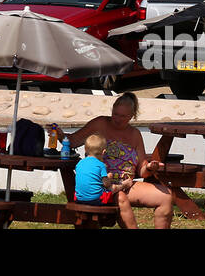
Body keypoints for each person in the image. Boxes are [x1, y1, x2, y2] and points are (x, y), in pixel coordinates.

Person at [66, 93, 172, 229]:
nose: (117, 119)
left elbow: (142, 170)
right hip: (102, 185)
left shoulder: (135, 134)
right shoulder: (100, 123)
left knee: (166, 197)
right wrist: (59, 134)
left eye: (122, 116)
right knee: (120, 196)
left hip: (127, 184)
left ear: (132, 116)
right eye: (115, 114)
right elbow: (73, 141)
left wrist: (150, 167)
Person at [74, 134, 115, 205]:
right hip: (96, 200)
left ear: (85, 150)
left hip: (79, 199)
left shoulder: (79, 163)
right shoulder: (101, 165)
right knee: (112, 188)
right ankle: (124, 185)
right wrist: (109, 177)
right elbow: (106, 184)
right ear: (103, 152)